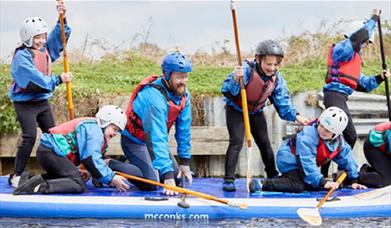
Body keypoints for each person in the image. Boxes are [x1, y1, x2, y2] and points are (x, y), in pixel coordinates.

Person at [221, 40, 310, 192]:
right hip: (236, 110)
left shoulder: (277, 79)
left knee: (264, 143)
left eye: (275, 65)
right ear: (258, 59)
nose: (272, 68)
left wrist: (296, 116)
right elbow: (227, 90)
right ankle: (229, 179)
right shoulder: (246, 69)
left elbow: (282, 102)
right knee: (236, 142)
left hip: (255, 112)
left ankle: (272, 174)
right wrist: (237, 78)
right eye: (269, 64)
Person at [13, 105, 152, 195]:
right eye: (114, 129)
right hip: (51, 152)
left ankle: (29, 179)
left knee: (73, 177)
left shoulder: (96, 132)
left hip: (48, 152)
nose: (115, 133)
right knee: (77, 184)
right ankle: (39, 187)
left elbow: (89, 160)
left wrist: (89, 173)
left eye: (118, 131)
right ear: (104, 121)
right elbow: (90, 158)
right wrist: (111, 178)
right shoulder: (95, 130)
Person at [8, 0, 73, 188]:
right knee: (29, 136)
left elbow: (58, 38)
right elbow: (40, 81)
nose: (42, 41)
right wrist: (60, 79)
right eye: (38, 37)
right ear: (28, 37)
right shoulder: (21, 58)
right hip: (25, 104)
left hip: (42, 102)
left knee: (53, 136)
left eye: (43, 36)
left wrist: (62, 17)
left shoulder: (44, 50)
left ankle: (61, 170)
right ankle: (16, 175)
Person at [321, 8, 390, 177]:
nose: (366, 46)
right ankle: (328, 173)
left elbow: (363, 84)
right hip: (333, 96)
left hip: (341, 97)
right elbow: (359, 37)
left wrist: (379, 78)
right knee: (347, 135)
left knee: (345, 136)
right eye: (366, 43)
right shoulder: (342, 50)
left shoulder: (352, 59)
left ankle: (334, 172)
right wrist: (374, 18)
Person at [122, 51, 193, 195]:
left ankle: (140, 164)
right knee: (151, 182)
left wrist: (184, 162)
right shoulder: (153, 99)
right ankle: (111, 165)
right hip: (135, 141)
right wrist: (166, 176)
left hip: (153, 142)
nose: (183, 81)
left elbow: (184, 130)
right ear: (167, 74)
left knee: (177, 178)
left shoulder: (183, 94)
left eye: (185, 76)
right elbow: (156, 136)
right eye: (179, 76)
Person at [249, 107, 367, 193]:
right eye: (322, 126)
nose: (322, 131)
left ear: (336, 134)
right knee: (298, 185)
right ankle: (263, 184)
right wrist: (323, 182)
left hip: (305, 164)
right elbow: (306, 162)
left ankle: (287, 181)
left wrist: (354, 180)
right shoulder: (308, 136)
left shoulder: (339, 143)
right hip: (289, 159)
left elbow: (347, 159)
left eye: (327, 130)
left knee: (312, 183)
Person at [359, 121, 391, 188]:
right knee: (387, 180)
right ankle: (357, 177)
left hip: (385, 146)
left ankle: (371, 171)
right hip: (373, 146)